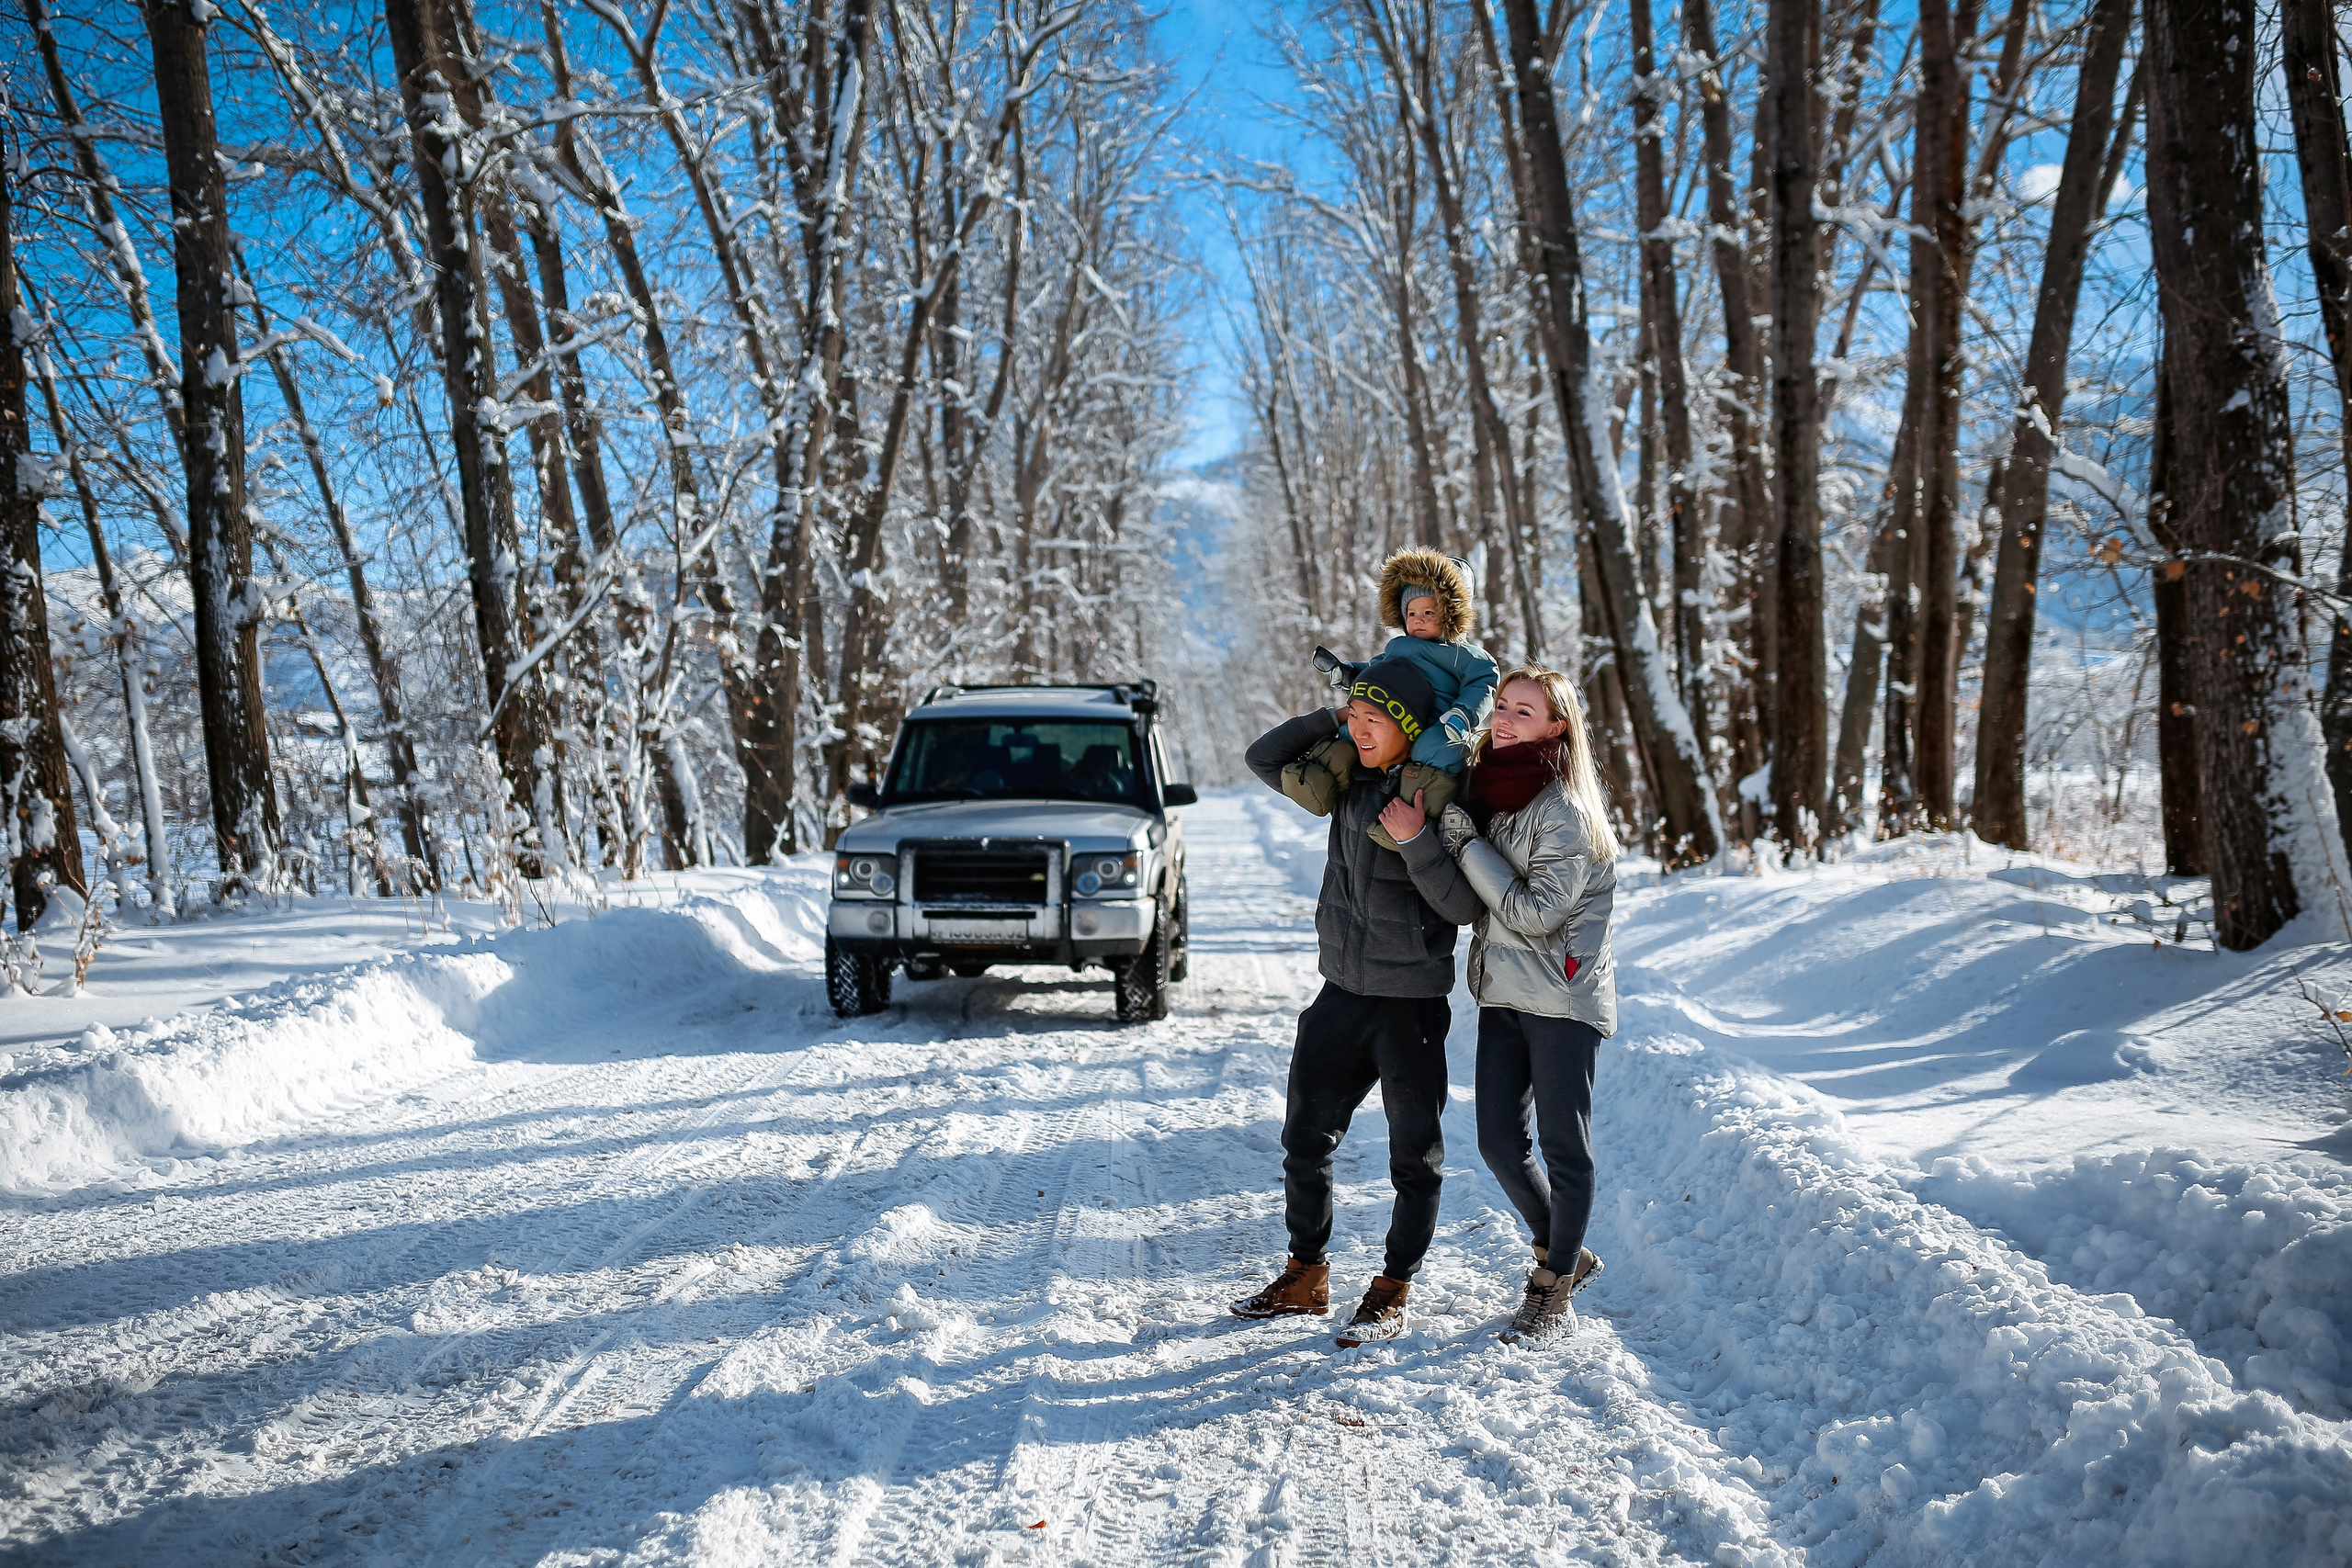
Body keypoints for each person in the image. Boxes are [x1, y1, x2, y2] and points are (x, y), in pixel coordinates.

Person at [1235, 657, 1485, 1347]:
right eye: (1358, 716)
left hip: (1409, 1006)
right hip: (1340, 993)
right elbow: (1263, 757)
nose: (1361, 728)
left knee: (1414, 1155)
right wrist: (1333, 713)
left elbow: (1462, 905)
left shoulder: (1440, 798)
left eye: (1376, 720)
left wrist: (1415, 840)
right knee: (1303, 1140)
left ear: (1409, 728)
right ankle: (1305, 1273)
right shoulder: (1345, 782)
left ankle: (1393, 1287)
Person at [1426, 665, 1619, 1342]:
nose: (1504, 718)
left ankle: (1552, 1287)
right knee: (1498, 1141)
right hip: (1506, 989)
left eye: (1524, 711)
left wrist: (1466, 843)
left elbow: (1533, 911)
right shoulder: (1498, 792)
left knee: (1567, 1148)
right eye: (1502, 705)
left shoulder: (1563, 809)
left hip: (1563, 997)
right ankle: (1566, 1252)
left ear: (1556, 727)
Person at [1283, 549, 1498, 851]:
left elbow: (1484, 683)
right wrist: (1348, 674)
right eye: (1412, 613)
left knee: (1436, 750)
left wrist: (1464, 714)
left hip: (1437, 723)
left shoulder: (1463, 655)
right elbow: (1376, 673)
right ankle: (1316, 781)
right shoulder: (1397, 647)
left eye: (1429, 613)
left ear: (1451, 614)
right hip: (1389, 722)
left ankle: (1411, 822)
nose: (1418, 621)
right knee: (1351, 732)